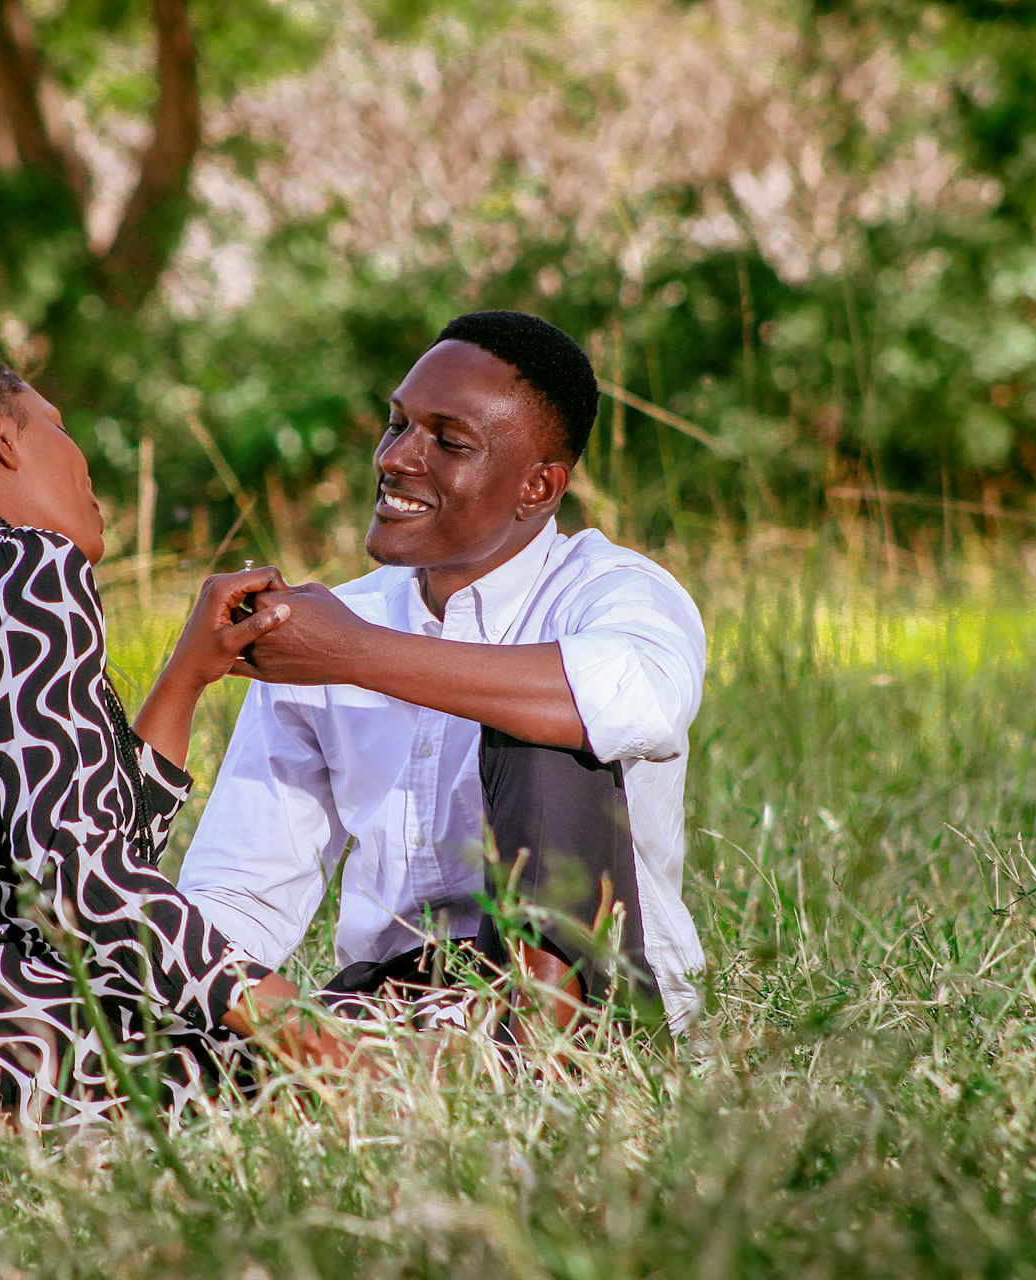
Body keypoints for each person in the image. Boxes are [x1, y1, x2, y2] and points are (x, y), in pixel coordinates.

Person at [0, 329, 346, 1132]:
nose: (82, 461)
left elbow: (89, 844)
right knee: (330, 1063)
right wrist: (289, 1020)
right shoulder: (24, 567)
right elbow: (80, 884)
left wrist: (186, 675)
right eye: (57, 423)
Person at [178, 311, 708, 1035]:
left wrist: (353, 655)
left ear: (538, 487)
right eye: (397, 425)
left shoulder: (613, 591)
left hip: (602, 1002)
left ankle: (546, 1054)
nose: (396, 459)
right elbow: (240, 892)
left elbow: (633, 699)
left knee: (547, 718)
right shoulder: (330, 626)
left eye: (449, 442)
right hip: (396, 1009)